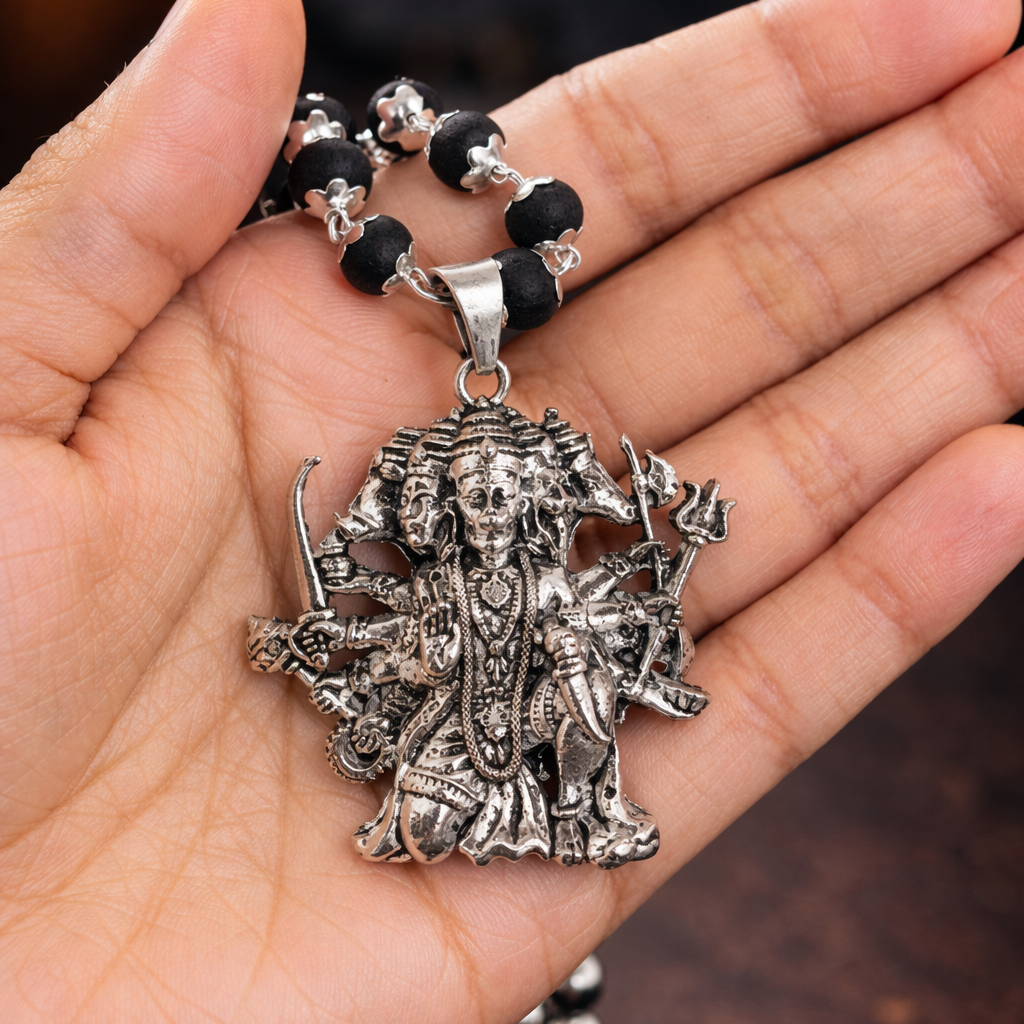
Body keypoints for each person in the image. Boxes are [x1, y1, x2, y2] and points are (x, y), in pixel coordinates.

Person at [1, 0, 1023, 1020]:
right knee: (419, 832)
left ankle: (580, 808)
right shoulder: (436, 580)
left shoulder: (551, 573)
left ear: (532, 500)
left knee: (578, 672)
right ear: (446, 504)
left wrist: (663, 547)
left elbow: (621, 578)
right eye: (473, 494)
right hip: (450, 735)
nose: (489, 504)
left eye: (504, 492)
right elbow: (386, 631)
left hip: (542, 726)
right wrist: (309, 641)